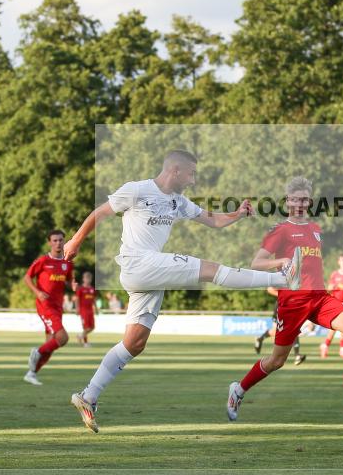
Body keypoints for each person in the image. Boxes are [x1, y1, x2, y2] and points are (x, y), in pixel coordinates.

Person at [67, 150, 301, 433]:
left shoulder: (178, 201)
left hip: (149, 274)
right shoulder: (137, 190)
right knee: (211, 270)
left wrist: (238, 214)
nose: (193, 180)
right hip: (137, 263)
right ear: (175, 170)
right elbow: (100, 213)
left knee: (135, 343)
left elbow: (213, 220)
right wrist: (75, 241)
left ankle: (88, 396)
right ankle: (280, 278)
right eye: (191, 174)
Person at [226, 176, 343, 421]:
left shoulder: (315, 230)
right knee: (277, 360)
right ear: (287, 201)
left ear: (309, 202)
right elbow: (256, 263)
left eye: (303, 199)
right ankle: (239, 389)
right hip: (292, 303)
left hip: (320, 298)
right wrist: (279, 261)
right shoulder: (280, 231)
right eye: (294, 199)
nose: (299, 203)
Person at [23, 230, 76, 385]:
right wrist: (37, 292)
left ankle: (31, 373)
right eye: (55, 240)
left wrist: (72, 284)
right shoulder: (43, 261)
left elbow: (68, 281)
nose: (58, 243)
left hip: (58, 307)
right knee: (63, 338)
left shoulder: (67, 263)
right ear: (49, 242)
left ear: (64, 241)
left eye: (60, 240)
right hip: (45, 305)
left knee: (51, 342)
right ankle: (37, 352)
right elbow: (27, 277)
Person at [253, 287, 306, 365]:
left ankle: (260, 339)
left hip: (292, 305)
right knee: (280, 330)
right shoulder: (283, 277)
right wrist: (285, 295)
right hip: (281, 306)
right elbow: (270, 289)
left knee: (293, 328)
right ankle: (297, 355)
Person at [75, 271, 98, 347]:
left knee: (92, 327)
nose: (87, 280)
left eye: (89, 278)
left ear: (91, 279)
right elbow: (77, 299)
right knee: (86, 327)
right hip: (83, 310)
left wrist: (96, 308)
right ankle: (85, 343)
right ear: (83, 279)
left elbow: (94, 299)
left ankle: (80, 335)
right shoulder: (80, 289)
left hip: (90, 310)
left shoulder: (92, 289)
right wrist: (77, 308)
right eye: (86, 278)